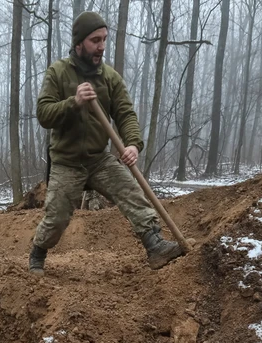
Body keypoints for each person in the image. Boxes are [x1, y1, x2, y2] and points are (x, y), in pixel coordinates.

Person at [28, 11, 183, 276]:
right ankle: (38, 254)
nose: (101, 46)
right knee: (57, 218)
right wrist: (73, 102)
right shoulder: (58, 72)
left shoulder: (110, 78)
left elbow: (125, 114)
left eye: (104, 40)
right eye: (94, 40)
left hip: (98, 159)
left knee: (131, 191)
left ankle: (154, 246)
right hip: (67, 161)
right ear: (79, 44)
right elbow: (44, 114)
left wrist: (133, 144)